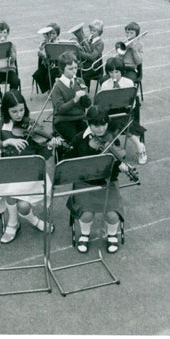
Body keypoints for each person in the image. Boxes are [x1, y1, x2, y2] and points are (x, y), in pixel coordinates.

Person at [0, 90, 61, 243]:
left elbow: (43, 156)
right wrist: (6, 142)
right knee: (13, 195)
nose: (19, 114)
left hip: (32, 173)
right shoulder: (2, 125)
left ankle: (21, 222)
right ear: (6, 110)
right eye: (14, 111)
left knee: (24, 206)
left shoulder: (31, 124)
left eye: (21, 110)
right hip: (11, 172)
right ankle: (15, 223)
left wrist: (49, 147)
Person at [63, 106, 130, 254]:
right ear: (88, 124)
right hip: (85, 183)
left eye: (104, 124)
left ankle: (112, 235)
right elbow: (68, 162)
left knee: (112, 215)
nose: (100, 129)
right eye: (96, 125)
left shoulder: (112, 139)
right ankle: (84, 234)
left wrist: (121, 167)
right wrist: (89, 150)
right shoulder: (79, 139)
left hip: (107, 182)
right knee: (87, 214)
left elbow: (115, 165)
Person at [98, 57, 148, 164]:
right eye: (111, 72)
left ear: (122, 71)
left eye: (117, 72)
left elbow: (133, 104)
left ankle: (129, 148)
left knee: (120, 120)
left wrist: (126, 104)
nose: (114, 75)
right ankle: (139, 146)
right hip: (110, 113)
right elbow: (101, 104)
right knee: (116, 121)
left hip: (125, 112)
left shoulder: (128, 83)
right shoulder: (105, 84)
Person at [50, 51, 91, 142]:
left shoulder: (79, 81)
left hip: (79, 118)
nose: (74, 71)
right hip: (63, 120)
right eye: (70, 68)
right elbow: (60, 109)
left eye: (76, 68)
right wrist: (75, 99)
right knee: (77, 140)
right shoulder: (57, 86)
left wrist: (85, 97)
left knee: (88, 138)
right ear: (62, 69)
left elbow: (87, 105)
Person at [0, 21, 21, 106]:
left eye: (5, 32)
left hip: (9, 69)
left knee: (15, 81)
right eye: (0, 32)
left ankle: (10, 96)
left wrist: (9, 51)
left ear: (8, 33)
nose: (2, 34)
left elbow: (13, 59)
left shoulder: (11, 44)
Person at [77, 19, 105, 87]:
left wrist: (79, 53)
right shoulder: (88, 39)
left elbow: (92, 56)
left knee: (84, 77)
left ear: (99, 32)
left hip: (94, 67)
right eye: (91, 30)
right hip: (86, 64)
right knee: (76, 74)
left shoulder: (100, 43)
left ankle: (85, 92)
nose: (92, 32)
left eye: (94, 31)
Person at [32, 25, 59, 94]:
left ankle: (51, 89)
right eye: (50, 33)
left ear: (57, 34)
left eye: (54, 34)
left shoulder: (57, 42)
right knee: (37, 75)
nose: (51, 35)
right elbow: (41, 54)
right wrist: (41, 52)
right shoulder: (43, 43)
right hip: (46, 65)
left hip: (56, 66)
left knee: (48, 77)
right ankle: (47, 88)